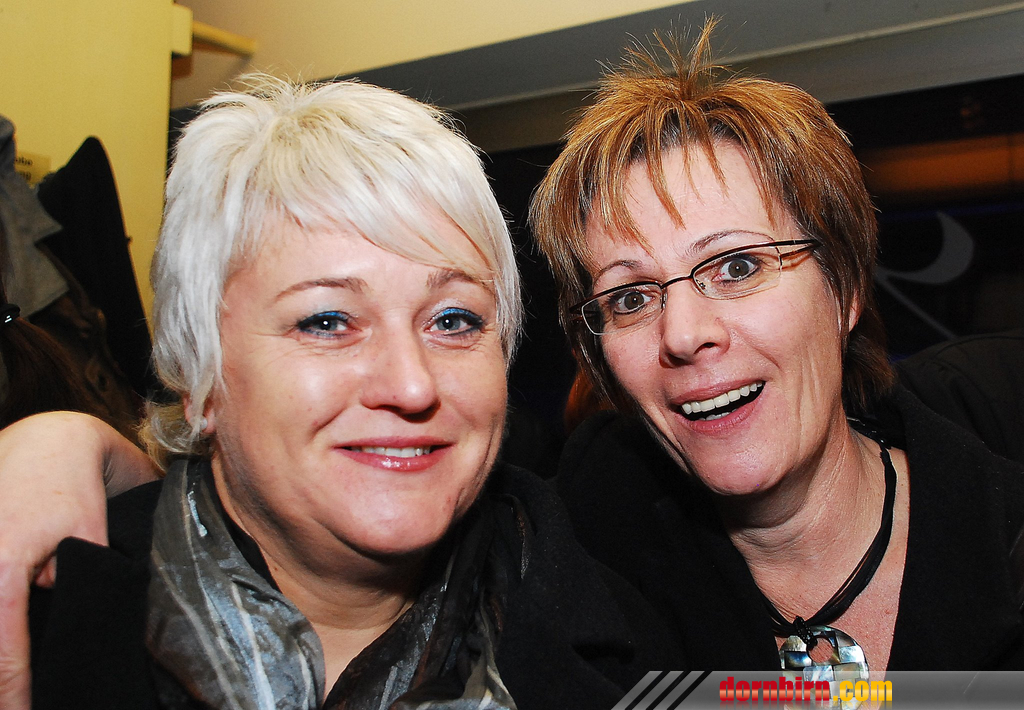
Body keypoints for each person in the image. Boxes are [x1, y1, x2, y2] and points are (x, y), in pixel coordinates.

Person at [7, 74, 674, 710]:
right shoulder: (39, 617)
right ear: (200, 379)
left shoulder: (635, 650)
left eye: (453, 320)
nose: (411, 384)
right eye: (326, 321)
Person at [529, 24, 1024, 673]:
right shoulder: (582, 575)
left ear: (844, 289)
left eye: (737, 267)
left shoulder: (1003, 537)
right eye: (630, 298)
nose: (683, 334)